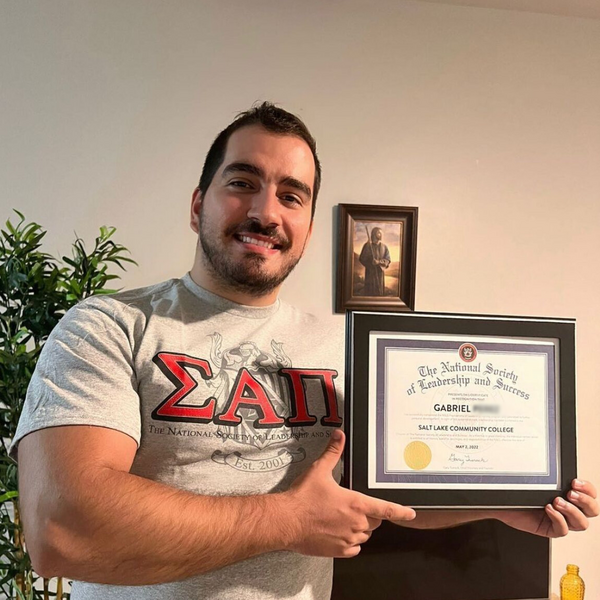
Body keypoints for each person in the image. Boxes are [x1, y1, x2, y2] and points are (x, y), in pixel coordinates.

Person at [12, 103, 598, 600]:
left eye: (292, 195)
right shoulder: (110, 327)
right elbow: (61, 529)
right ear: (198, 206)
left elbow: (384, 489)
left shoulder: (345, 346)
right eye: (242, 183)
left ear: (309, 228)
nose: (266, 212)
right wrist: (288, 521)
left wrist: (502, 500)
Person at [358, 226, 390, 296]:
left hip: (380, 273)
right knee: (370, 292)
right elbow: (361, 259)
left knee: (379, 293)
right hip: (370, 274)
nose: (381, 234)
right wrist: (370, 264)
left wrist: (379, 262)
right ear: (374, 234)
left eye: (381, 233)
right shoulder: (367, 245)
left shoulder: (384, 247)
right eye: (379, 233)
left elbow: (388, 260)